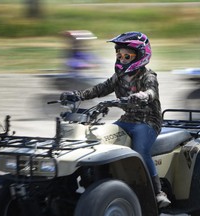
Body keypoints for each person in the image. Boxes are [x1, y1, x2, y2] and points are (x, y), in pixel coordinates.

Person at [60, 31, 171, 208]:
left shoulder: (148, 76)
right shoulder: (118, 76)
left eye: (127, 55)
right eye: (119, 54)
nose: (122, 58)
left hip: (148, 122)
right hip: (127, 119)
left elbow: (151, 93)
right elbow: (101, 89)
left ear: (141, 56)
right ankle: (98, 182)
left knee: (140, 150)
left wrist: (141, 96)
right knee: (100, 140)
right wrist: (78, 95)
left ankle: (157, 192)